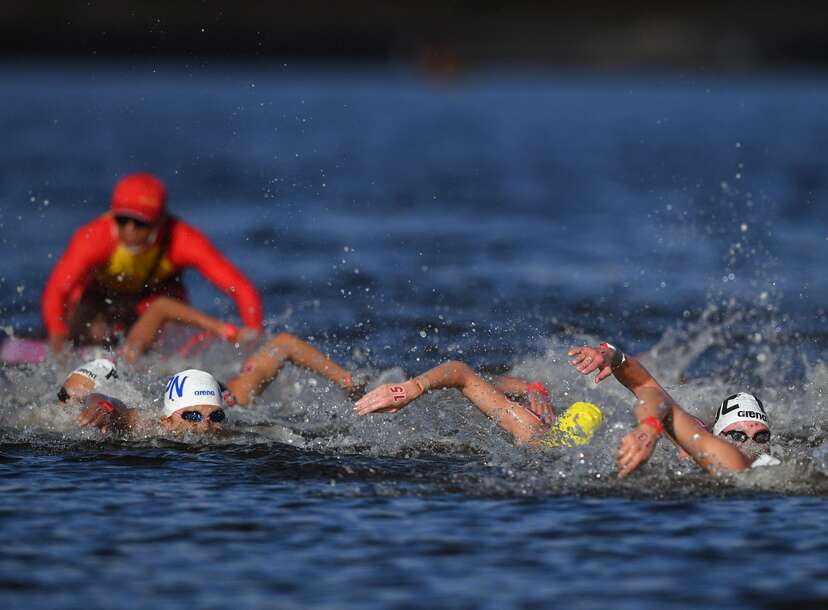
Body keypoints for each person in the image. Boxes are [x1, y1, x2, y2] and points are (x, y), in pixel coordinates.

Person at [42, 173, 263, 353]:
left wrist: (253, 335)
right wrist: (58, 343)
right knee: (82, 318)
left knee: (165, 318)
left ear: (160, 221)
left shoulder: (183, 240)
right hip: (102, 297)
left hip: (155, 301)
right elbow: (56, 291)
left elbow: (240, 288)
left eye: (140, 223)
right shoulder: (93, 238)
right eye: (121, 219)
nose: (129, 230)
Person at [568, 342, 777, 477]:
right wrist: (648, 428)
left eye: (761, 437)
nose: (750, 444)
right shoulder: (707, 448)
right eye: (737, 436)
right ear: (717, 436)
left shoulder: (770, 468)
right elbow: (649, 390)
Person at [355, 360, 604, 448]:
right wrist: (411, 388)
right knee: (491, 387)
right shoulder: (531, 429)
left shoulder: (533, 435)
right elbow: (461, 372)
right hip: (444, 403)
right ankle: (528, 387)